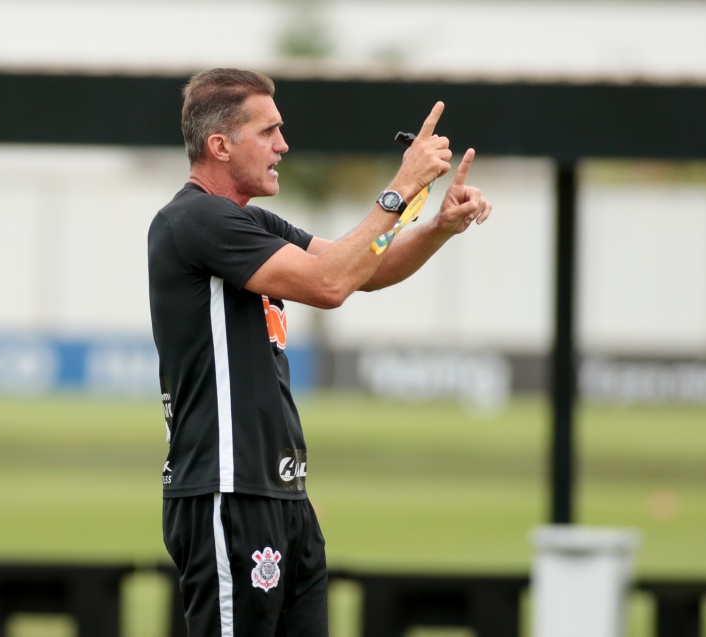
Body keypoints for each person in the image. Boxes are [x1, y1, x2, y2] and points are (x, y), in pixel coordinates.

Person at [147, 67, 492, 637]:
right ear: (220, 146)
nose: (283, 145)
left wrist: (437, 228)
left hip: (281, 494)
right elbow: (329, 284)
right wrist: (400, 188)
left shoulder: (248, 221)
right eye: (269, 132)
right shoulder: (194, 219)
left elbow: (362, 270)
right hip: (227, 490)